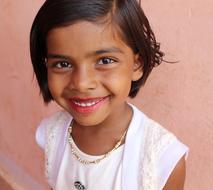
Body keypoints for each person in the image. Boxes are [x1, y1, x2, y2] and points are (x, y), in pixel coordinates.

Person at [30, 0, 188, 189]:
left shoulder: (162, 160)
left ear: (137, 65)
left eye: (105, 60)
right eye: (63, 64)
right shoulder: (53, 133)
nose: (81, 84)